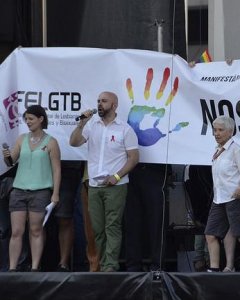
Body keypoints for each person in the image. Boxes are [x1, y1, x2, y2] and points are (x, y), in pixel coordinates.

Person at [70, 91, 139, 272]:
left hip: (116, 185)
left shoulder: (125, 129)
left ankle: (110, 266)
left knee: (112, 226)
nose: (100, 104)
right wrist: (81, 124)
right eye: (98, 100)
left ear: (114, 105)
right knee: (97, 229)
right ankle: (98, 265)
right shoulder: (92, 126)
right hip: (94, 185)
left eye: (104, 101)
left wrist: (116, 176)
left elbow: (133, 158)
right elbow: (74, 143)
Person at [2, 104, 61, 271]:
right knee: (16, 231)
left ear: (41, 119)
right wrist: (7, 156)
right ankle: (12, 268)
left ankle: (35, 268)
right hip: (19, 190)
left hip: (41, 191)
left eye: (31, 119)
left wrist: (55, 194)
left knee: (35, 230)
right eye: (26, 119)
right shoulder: (21, 139)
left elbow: (56, 170)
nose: (28, 122)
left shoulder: (51, 142)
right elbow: (11, 162)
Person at [205, 115, 240, 272]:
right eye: (214, 130)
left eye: (220, 130)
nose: (216, 133)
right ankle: (215, 269)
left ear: (230, 132)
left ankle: (229, 266)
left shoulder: (236, 148)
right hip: (219, 198)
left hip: (234, 197)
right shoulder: (217, 150)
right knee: (211, 233)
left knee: (235, 233)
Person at [125, 163, 171, 272]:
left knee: (157, 221)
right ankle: (133, 265)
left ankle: (157, 265)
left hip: (155, 170)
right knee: (131, 221)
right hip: (129, 170)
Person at [54, 160, 83, 271]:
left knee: (64, 218)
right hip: (39, 169)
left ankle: (64, 263)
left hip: (69, 169)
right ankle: (35, 265)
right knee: (37, 220)